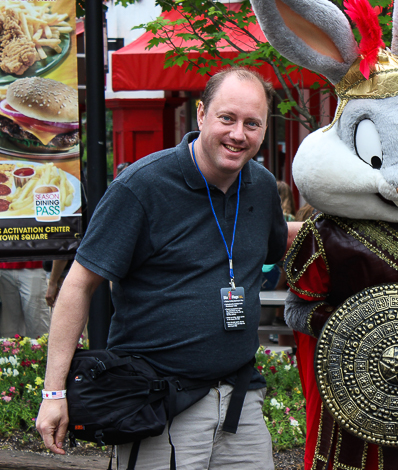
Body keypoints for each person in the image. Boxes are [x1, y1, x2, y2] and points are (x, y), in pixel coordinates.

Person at [36, 67, 294, 470]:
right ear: (202, 114)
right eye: (227, 118)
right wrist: (54, 394)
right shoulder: (141, 187)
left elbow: (286, 242)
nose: (238, 134)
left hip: (240, 403)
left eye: (252, 123)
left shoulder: (260, 186)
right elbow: (79, 285)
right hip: (158, 405)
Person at [0, 260, 49, 338]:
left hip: (33, 264)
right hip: (4, 266)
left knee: (37, 323)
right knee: (8, 330)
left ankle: (40, 349)